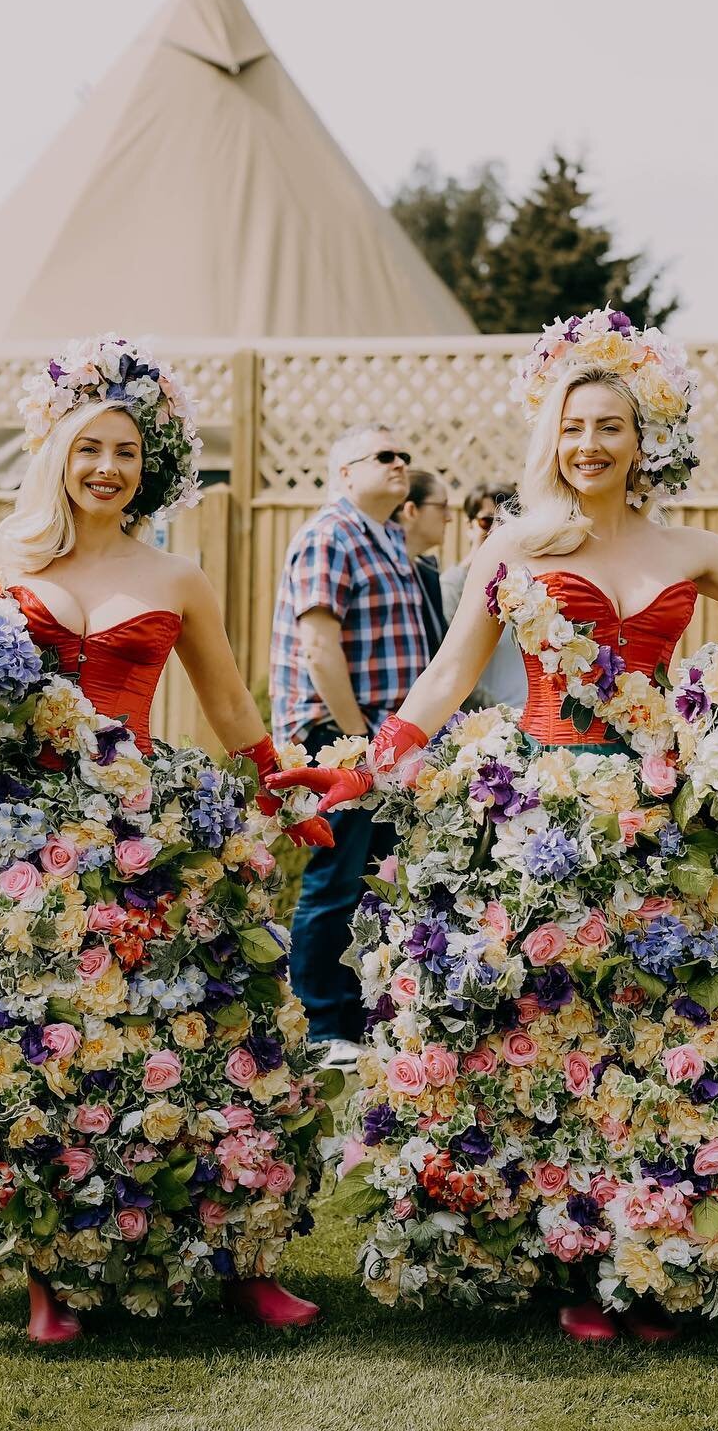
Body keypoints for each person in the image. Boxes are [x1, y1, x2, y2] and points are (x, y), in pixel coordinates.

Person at [269, 309, 718, 1341]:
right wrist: (369, 765)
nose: (590, 445)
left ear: (643, 438)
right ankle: (561, 1265)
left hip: (665, 821)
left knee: (658, 1041)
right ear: (551, 437)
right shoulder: (515, 544)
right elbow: (447, 676)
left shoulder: (690, 546)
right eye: (574, 427)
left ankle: (651, 1259)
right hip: (536, 816)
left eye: (610, 426)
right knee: (548, 1038)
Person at [0, 336, 332, 1341]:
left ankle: (242, 1263)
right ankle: (50, 1277)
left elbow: (226, 704)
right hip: (15, 846)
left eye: (126, 451)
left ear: (151, 465)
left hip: (146, 833)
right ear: (54, 451)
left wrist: (283, 783)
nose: (107, 467)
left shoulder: (180, 576)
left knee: (214, 1041)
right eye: (90, 447)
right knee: (37, 1057)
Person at [269, 424, 429, 1067]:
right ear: (343, 474)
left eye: (405, 456)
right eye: (384, 456)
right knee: (337, 881)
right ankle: (320, 1024)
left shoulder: (388, 538)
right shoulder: (329, 535)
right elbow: (318, 648)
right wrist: (354, 741)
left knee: (378, 880)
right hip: (337, 737)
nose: (401, 464)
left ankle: (364, 1017)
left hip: (385, 742)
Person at [440, 481, 526, 711]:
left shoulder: (529, 582)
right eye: (486, 521)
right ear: (468, 526)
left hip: (534, 720)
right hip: (487, 722)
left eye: (508, 520)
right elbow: (451, 666)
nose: (497, 530)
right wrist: (497, 714)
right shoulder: (454, 585)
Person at [393, 467, 450, 655]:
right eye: (442, 507)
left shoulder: (427, 574)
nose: (449, 517)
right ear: (411, 510)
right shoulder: (384, 576)